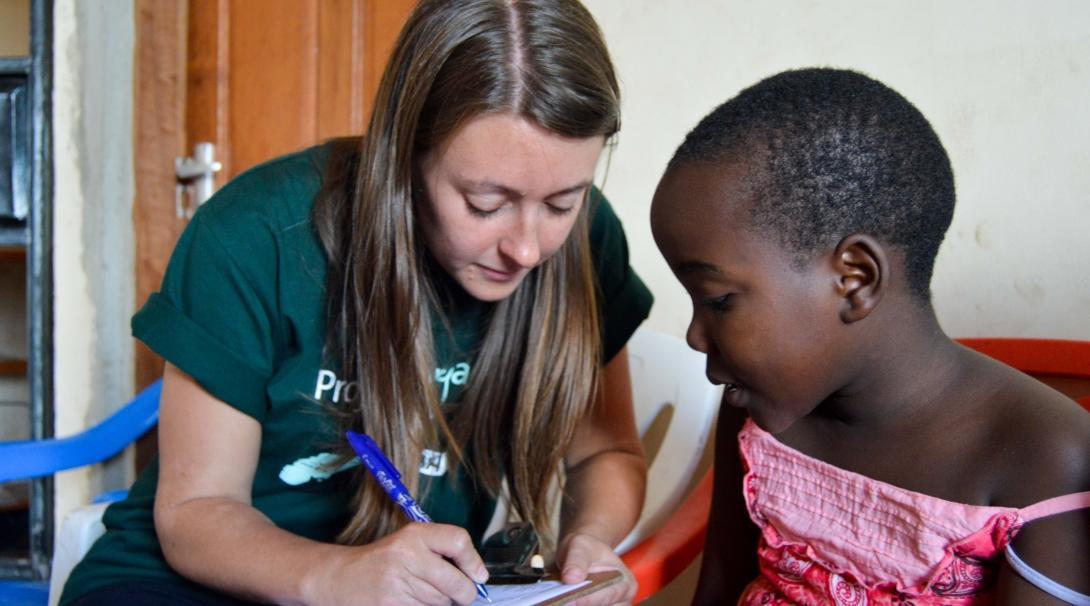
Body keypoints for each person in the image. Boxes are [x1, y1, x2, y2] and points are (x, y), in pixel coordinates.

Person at [61, 1, 651, 605]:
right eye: (484, 203)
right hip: (179, 585)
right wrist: (338, 576)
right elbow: (195, 514)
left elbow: (607, 452)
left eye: (561, 203)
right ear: (406, 154)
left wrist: (589, 544)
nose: (527, 249)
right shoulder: (253, 234)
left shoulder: (588, 245)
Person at [650, 68, 1090, 605]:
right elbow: (716, 591)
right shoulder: (756, 410)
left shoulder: (1047, 457)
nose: (696, 335)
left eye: (716, 299)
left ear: (854, 278)